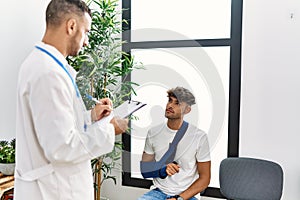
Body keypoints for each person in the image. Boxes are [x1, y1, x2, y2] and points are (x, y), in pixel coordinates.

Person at [14, 0, 128, 199]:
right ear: (71, 26)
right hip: (53, 190)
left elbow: (56, 125)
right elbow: (62, 147)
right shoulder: (48, 73)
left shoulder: (47, 65)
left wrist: (91, 116)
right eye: (86, 32)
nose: (86, 42)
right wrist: (109, 129)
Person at [139, 87, 211, 200]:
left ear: (187, 110)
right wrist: (163, 170)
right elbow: (145, 170)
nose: (170, 106)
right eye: (170, 101)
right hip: (158, 192)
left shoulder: (199, 137)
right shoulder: (153, 133)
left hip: (187, 195)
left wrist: (179, 198)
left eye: (177, 103)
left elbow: (205, 179)